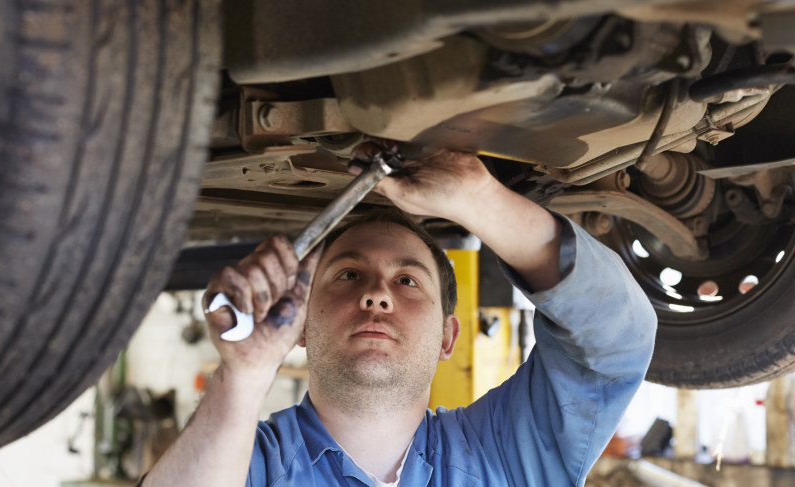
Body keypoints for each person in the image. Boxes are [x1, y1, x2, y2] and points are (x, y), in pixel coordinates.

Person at [143, 149, 657, 486]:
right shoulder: (249, 466)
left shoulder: (505, 452)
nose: (377, 297)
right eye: (348, 275)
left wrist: (481, 201)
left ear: (446, 336)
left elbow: (617, 337)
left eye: (408, 281)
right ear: (298, 324)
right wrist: (244, 374)